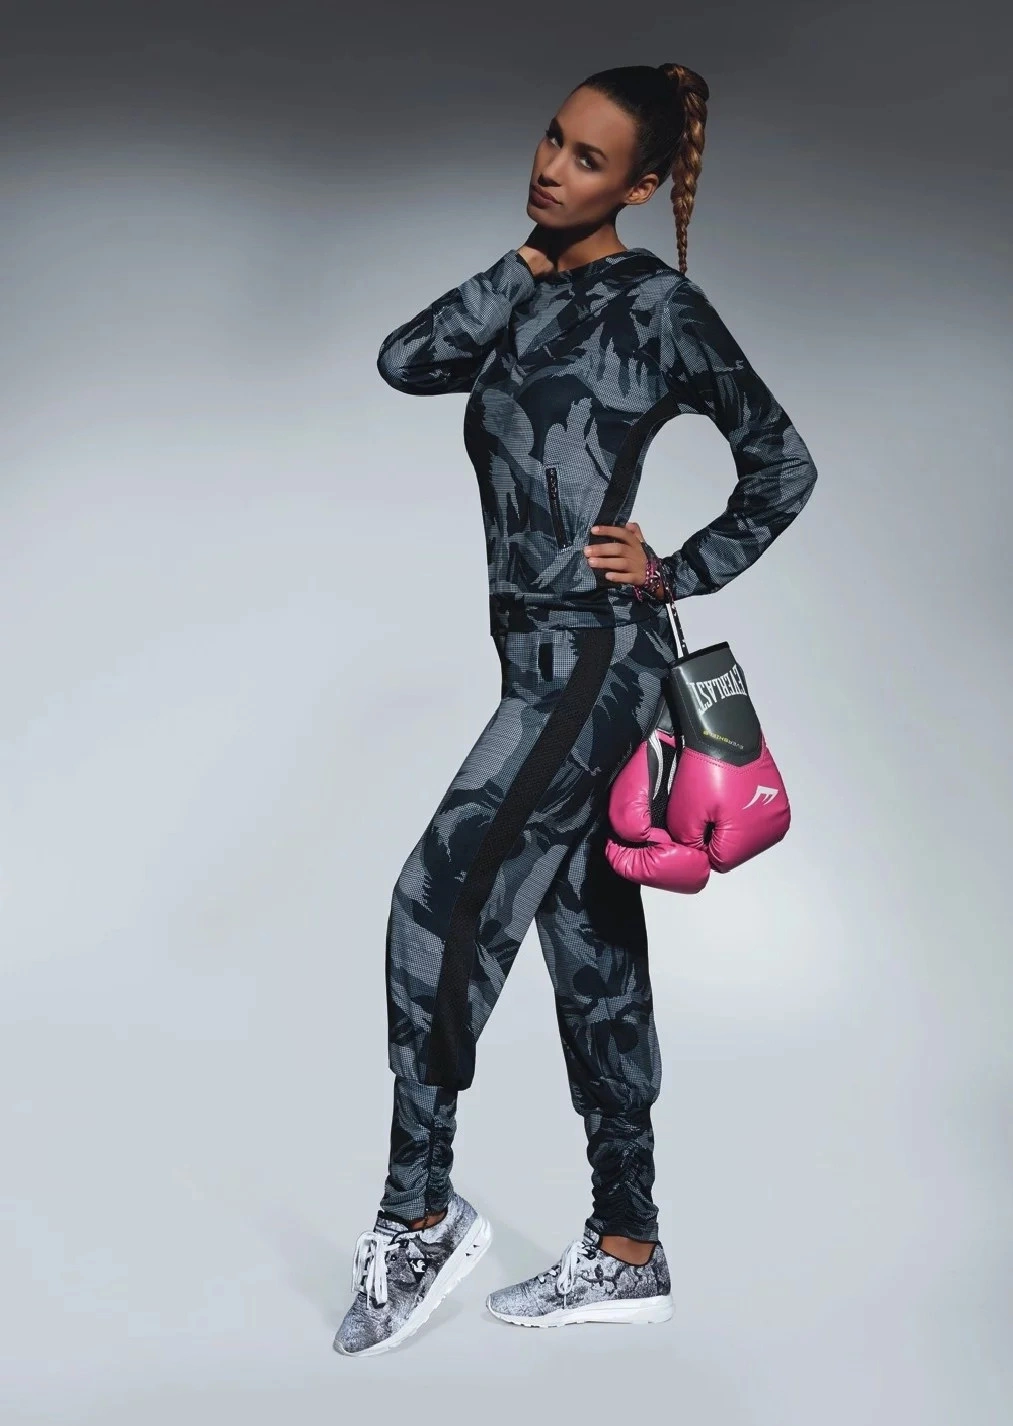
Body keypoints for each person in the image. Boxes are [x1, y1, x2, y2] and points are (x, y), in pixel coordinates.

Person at [334, 62, 818, 1357]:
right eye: (553, 139)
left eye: (590, 159)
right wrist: (523, 265)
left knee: (434, 903)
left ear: (643, 185)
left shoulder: (660, 307)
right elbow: (404, 359)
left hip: (593, 661)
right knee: (590, 947)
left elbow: (782, 464)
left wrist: (676, 568)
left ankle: (417, 1211)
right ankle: (627, 1244)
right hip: (539, 667)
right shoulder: (527, 294)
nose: (553, 167)